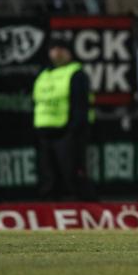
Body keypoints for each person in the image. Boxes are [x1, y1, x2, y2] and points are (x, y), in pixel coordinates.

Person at [32, 35, 96, 200]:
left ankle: (82, 207)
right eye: (53, 49)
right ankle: (49, 208)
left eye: (61, 49)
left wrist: (74, 130)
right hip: (45, 132)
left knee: (71, 174)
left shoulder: (76, 73)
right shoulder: (43, 74)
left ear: (69, 52)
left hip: (67, 132)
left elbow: (81, 104)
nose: (57, 53)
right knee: (48, 176)